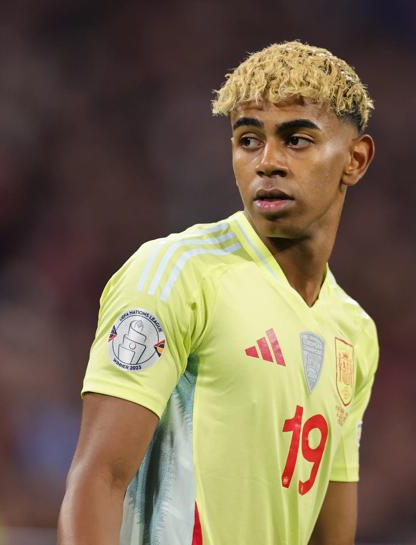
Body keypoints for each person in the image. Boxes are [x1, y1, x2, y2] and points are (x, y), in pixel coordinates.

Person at [58, 41, 378, 545]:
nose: (267, 162)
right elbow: (98, 477)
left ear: (355, 160)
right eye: (249, 140)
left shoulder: (354, 331)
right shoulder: (176, 275)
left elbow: (329, 535)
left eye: (296, 140)